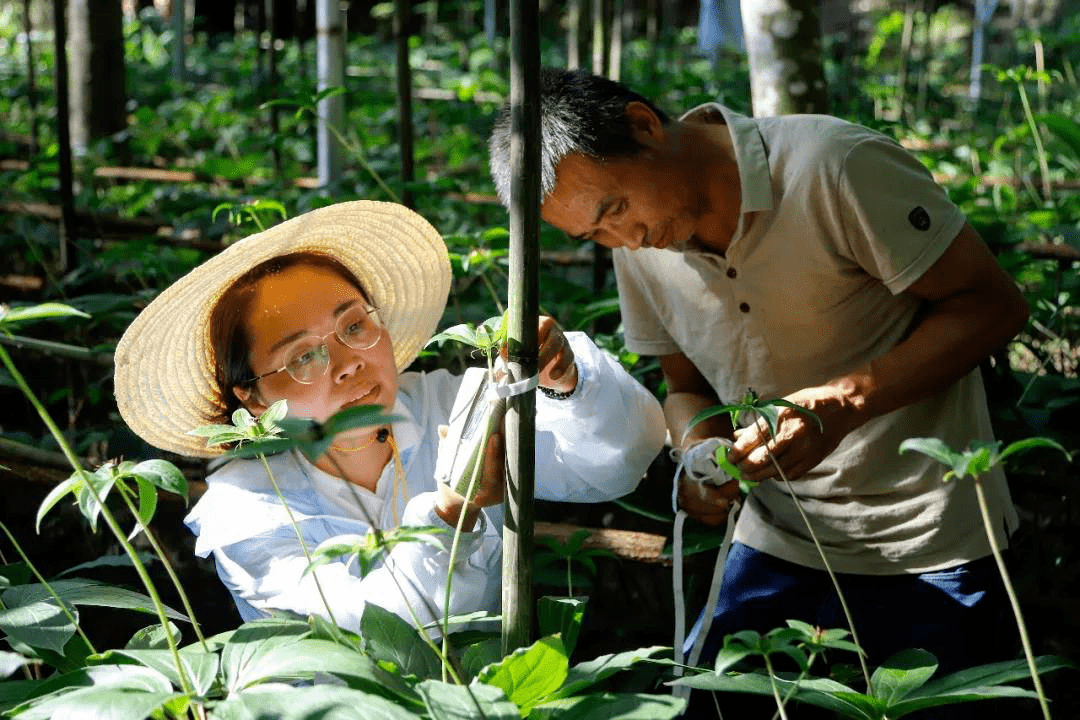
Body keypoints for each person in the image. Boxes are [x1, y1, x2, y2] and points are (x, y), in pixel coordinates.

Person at [489, 68, 1029, 713]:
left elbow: (993, 307)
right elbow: (683, 384)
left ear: (644, 126)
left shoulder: (834, 167)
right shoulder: (639, 251)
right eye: (593, 235)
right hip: (777, 535)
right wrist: (701, 453)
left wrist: (846, 403)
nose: (624, 240)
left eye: (616, 209)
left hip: (932, 539)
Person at [113, 200, 666, 634]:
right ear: (252, 398)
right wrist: (453, 510)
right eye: (302, 356)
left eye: (353, 326)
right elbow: (373, 631)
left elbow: (616, 464)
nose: (347, 364)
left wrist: (566, 384)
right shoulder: (247, 511)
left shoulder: (448, 406)